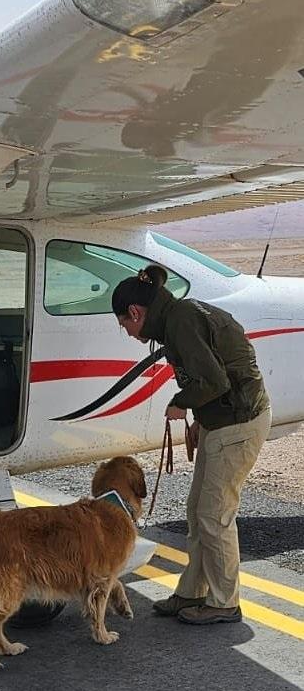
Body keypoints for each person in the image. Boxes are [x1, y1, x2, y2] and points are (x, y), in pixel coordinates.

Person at [112, 264, 271, 625]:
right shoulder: (176, 317)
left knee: (214, 515)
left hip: (238, 425)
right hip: (221, 420)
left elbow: (214, 382)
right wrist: (201, 418)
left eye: (124, 324)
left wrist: (181, 403)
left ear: (135, 312)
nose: (128, 332)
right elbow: (215, 373)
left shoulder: (181, 321)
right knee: (198, 510)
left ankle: (224, 602)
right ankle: (193, 592)